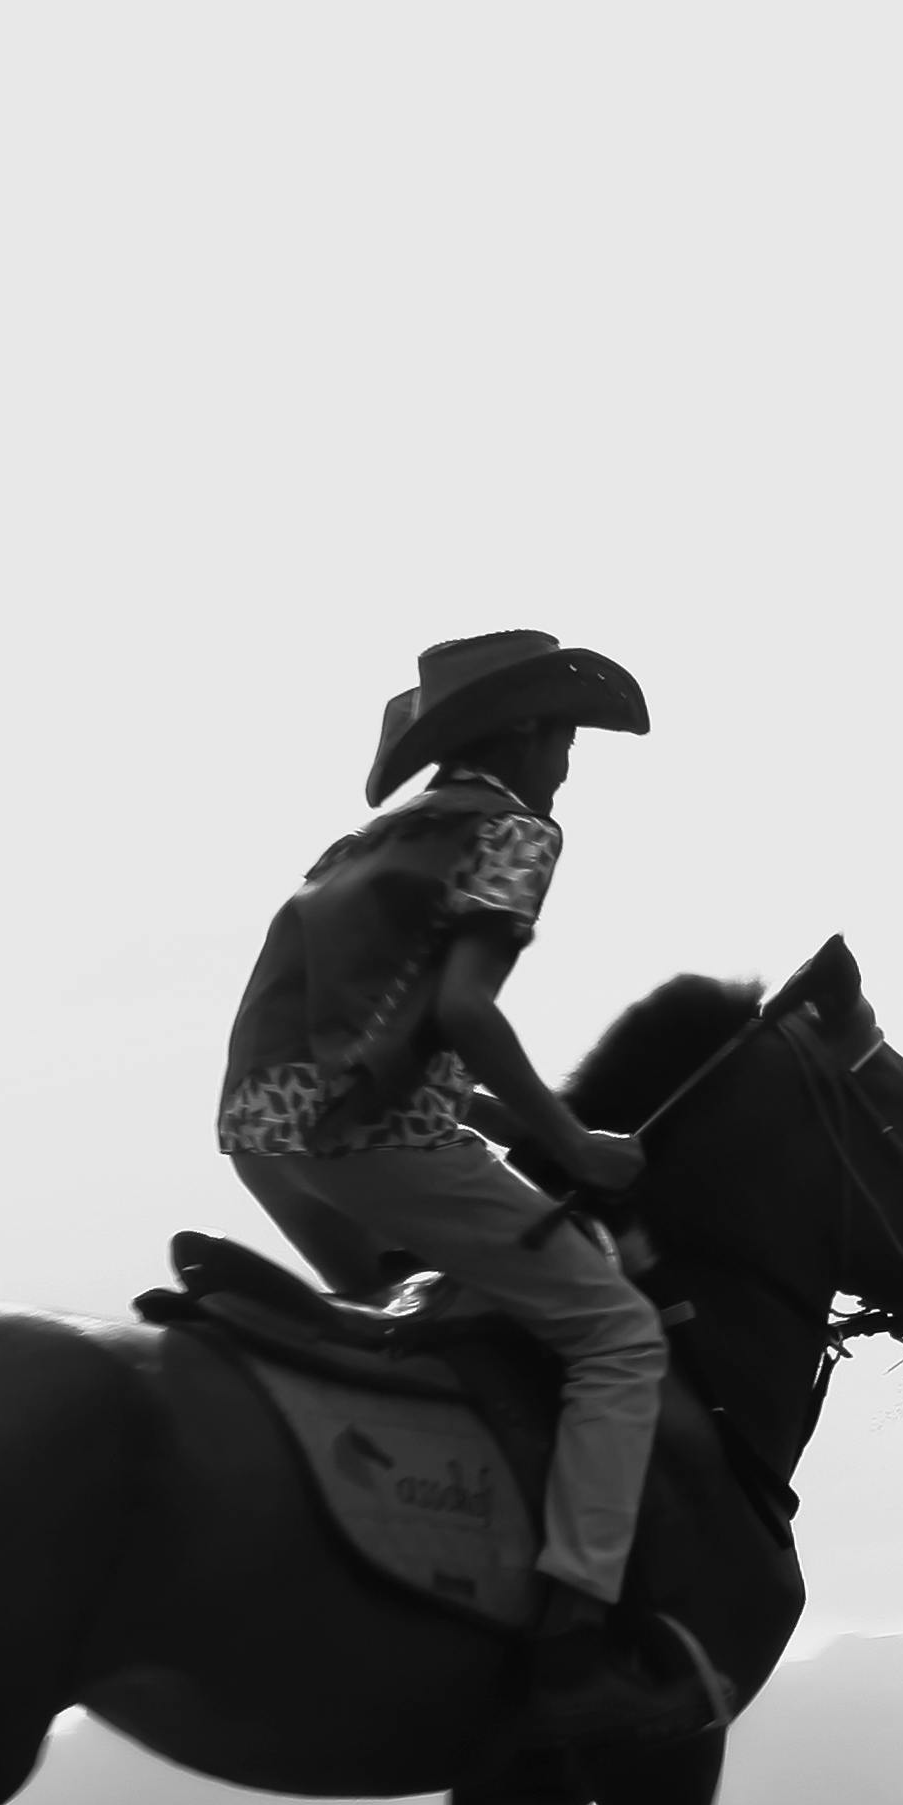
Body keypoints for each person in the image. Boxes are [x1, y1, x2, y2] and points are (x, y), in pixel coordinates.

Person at [216, 632, 691, 1728]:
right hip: (368, 1149)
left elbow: (380, 1039)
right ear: (522, 733)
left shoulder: (366, 845)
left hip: (262, 1140)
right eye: (564, 736)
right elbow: (469, 1013)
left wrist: (495, 1120)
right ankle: (576, 1631)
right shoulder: (517, 832)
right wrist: (572, 1147)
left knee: (437, 1315)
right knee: (618, 1332)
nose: (568, 762)